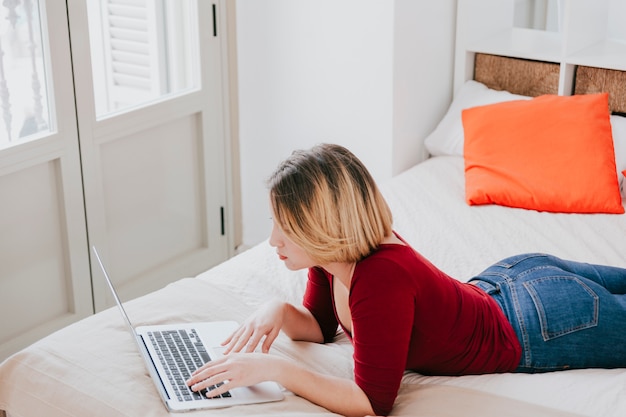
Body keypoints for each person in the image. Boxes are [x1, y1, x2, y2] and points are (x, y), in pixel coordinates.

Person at [186, 143, 626, 417]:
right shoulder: (334, 256)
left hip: (543, 322)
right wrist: (277, 310)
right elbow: (322, 327)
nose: (272, 240)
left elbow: (372, 403)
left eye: (285, 226)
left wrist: (276, 369)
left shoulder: (381, 279)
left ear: (321, 226)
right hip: (513, 278)